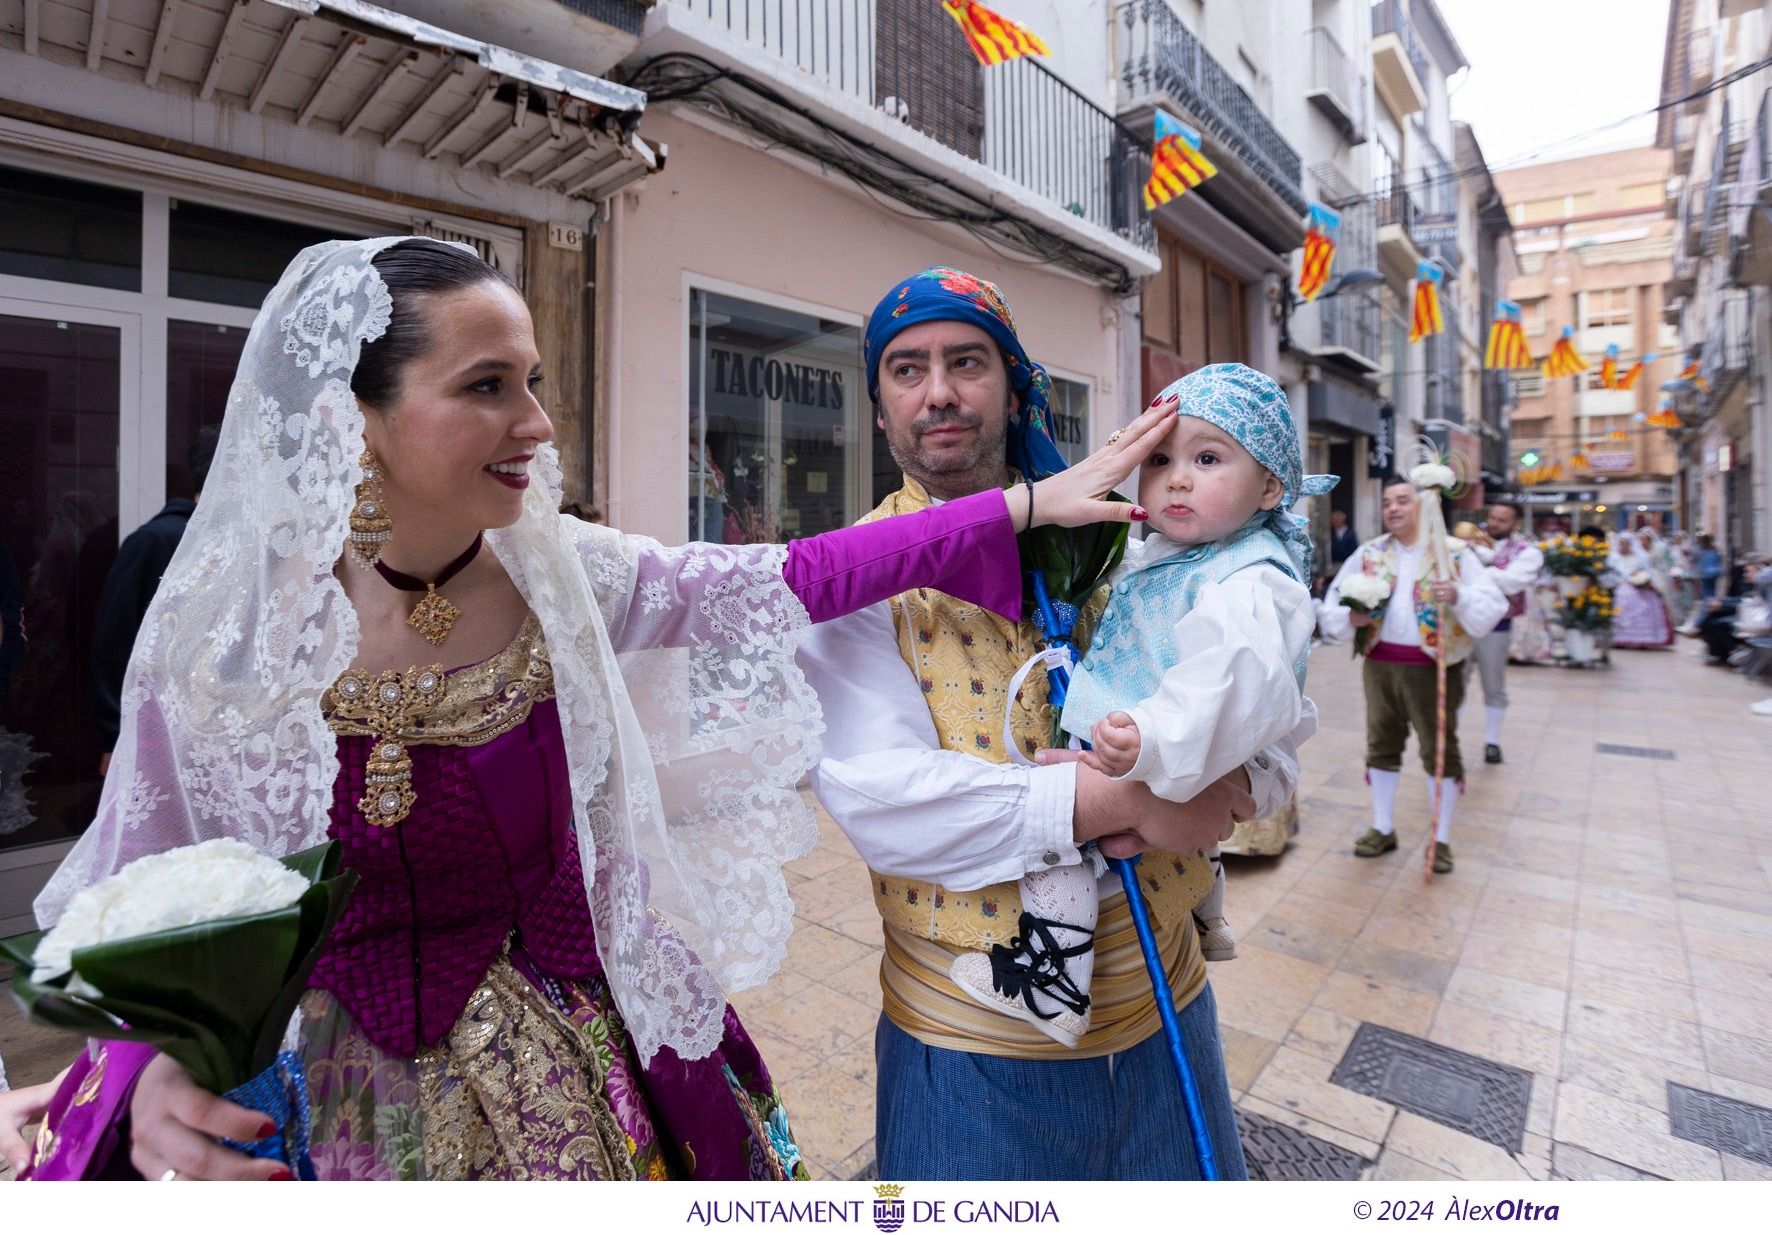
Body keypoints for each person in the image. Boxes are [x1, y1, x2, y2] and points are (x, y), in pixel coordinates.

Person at [3, 238, 1166, 1182]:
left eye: (535, 384)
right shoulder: (231, 635)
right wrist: (148, 1065)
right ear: (355, 418)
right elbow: (143, 892)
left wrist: (1017, 507)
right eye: (486, 387)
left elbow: (796, 576)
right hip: (314, 1093)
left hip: (571, 1055)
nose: (539, 426)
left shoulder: (565, 576)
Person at [798, 267, 1313, 1180]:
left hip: (1168, 1007)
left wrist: (1245, 772)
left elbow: (1244, 677)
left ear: (1013, 383)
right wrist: (1134, 801)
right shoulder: (857, 582)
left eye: (967, 362)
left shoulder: (1128, 533)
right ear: (880, 411)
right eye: (907, 371)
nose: (941, 392)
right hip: (975, 1051)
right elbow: (889, 802)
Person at [942, 365, 1325, 1044]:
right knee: (1155, 832)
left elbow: (1232, 683)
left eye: (1208, 458)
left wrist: (1151, 735)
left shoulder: (1251, 579)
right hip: (1180, 750)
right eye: (1158, 458)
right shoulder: (1175, 555)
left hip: (1195, 745)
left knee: (1059, 839)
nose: (1177, 477)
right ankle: (1205, 909)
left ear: (1269, 485)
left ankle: (1057, 981)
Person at [1319, 475, 1507, 874]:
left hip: (1434, 666)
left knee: (1439, 749)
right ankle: (1382, 826)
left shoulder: (1452, 553)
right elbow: (1332, 603)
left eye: (1403, 500)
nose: (1393, 508)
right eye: (1387, 502)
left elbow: (1493, 603)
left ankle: (1440, 838)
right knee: (1381, 743)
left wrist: (1459, 595)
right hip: (1379, 663)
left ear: (1421, 505)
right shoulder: (1369, 553)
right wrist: (1350, 617)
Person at [89, 427, 221, 777]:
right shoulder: (155, 542)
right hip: (158, 728)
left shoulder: (238, 543)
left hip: (217, 735)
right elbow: (116, 642)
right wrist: (114, 736)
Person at [1465, 500, 1543, 764]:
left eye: (1502, 520)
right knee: (1455, 681)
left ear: (1515, 524)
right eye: (1492, 517)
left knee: (1493, 684)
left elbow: (1512, 582)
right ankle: (1448, 736)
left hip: (1497, 625)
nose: (1494, 523)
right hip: (1462, 623)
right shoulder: (1471, 542)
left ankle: (1492, 741)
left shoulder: (1527, 552)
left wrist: (1476, 572)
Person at [1608, 531, 1675, 649]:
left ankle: (1642, 637)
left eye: (1626, 543)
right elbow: (1609, 572)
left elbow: (1646, 571)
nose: (1624, 546)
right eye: (1622, 543)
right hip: (1618, 585)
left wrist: (1639, 578)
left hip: (1635, 585)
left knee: (1641, 601)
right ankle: (1618, 637)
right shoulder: (1613, 557)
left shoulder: (1639, 556)